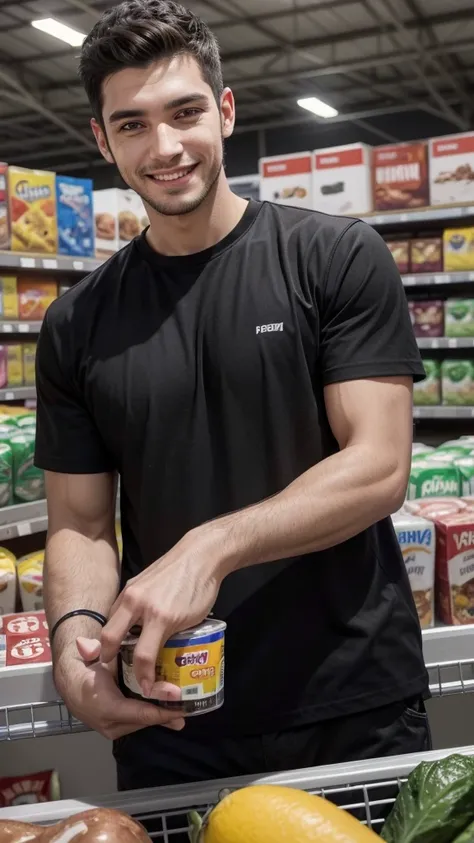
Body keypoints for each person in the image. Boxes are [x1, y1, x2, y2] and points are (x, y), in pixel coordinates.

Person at [35, 0, 431, 793]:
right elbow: (79, 522)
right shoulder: (76, 322)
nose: (166, 146)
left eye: (184, 113)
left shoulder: (333, 257)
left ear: (225, 110)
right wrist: (73, 636)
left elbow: (379, 464)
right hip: (171, 709)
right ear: (102, 139)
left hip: (350, 700)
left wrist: (207, 546)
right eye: (134, 124)